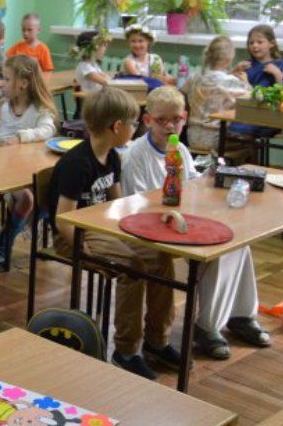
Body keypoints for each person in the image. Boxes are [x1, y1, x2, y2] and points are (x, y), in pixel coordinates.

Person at [121, 86, 270, 359]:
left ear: (185, 118)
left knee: (238, 244)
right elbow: (136, 207)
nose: (170, 126)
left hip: (180, 222)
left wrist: (205, 183)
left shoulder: (180, 149)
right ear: (148, 120)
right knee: (218, 250)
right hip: (151, 229)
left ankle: (241, 314)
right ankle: (207, 326)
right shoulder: (136, 155)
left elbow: (191, 187)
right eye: (161, 120)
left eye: (176, 119)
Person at [48, 87, 180, 380]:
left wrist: (140, 230)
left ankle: (157, 341)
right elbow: (62, 219)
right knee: (132, 267)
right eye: (133, 123)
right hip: (74, 235)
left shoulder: (112, 158)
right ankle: (126, 351)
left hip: (101, 230)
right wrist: (85, 251)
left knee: (160, 258)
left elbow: (117, 206)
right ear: (117, 126)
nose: (135, 129)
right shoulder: (77, 163)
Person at [0, 55, 58, 270]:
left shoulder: (39, 110)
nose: (2, 83)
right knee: (27, 198)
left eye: (7, 79)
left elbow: (48, 129)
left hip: (28, 169)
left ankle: (9, 231)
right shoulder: (0, 107)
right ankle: (6, 241)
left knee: (50, 196)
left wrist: (21, 136)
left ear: (23, 83)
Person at [184, 36, 252, 152]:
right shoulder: (231, 81)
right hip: (216, 140)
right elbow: (251, 99)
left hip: (192, 137)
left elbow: (183, 93)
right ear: (229, 59)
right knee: (252, 142)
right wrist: (246, 83)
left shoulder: (194, 77)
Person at [231, 24, 283, 137]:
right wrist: (234, 71)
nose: (254, 45)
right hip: (246, 112)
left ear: (271, 44)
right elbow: (229, 87)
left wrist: (277, 74)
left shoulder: (282, 65)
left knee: (241, 129)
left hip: (269, 116)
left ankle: (244, 146)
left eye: (259, 42)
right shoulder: (247, 65)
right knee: (228, 125)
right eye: (251, 43)